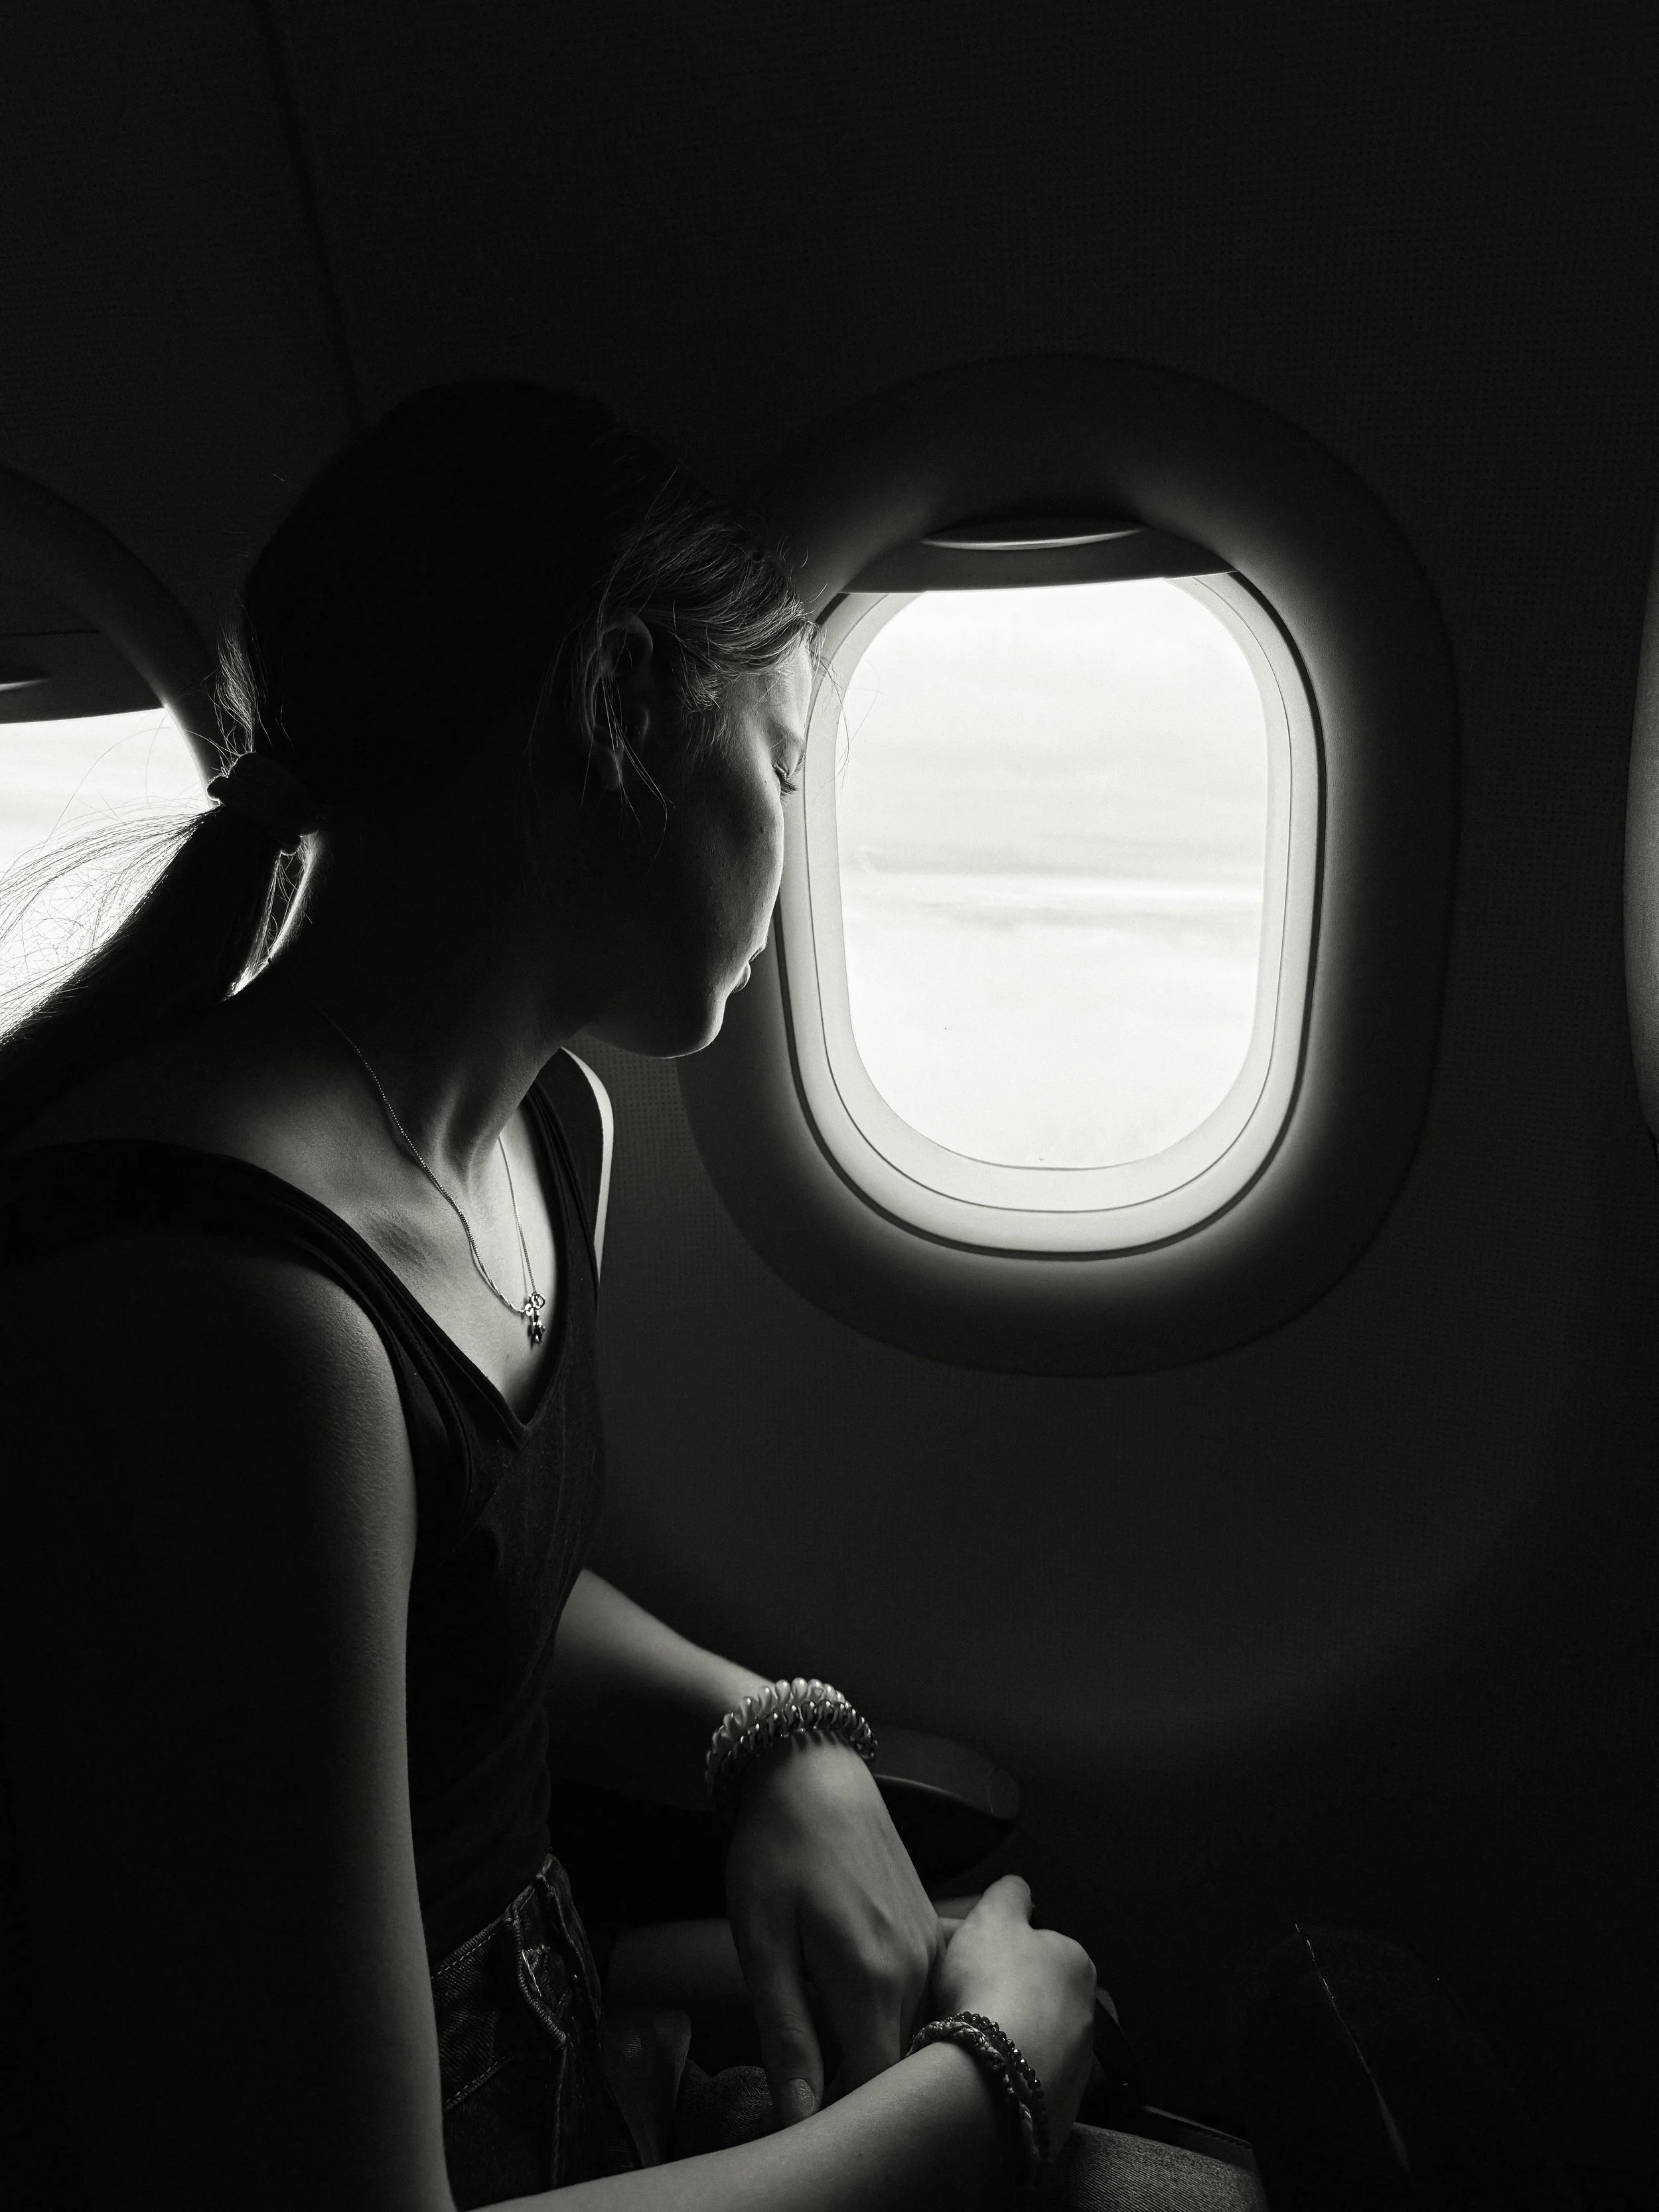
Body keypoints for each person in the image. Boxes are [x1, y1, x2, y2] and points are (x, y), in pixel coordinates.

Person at [0, 382, 1103, 2211]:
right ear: (613, 710)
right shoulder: (219, 1312)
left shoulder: (545, 1130)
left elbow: (455, 1592)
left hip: (527, 2021)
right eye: (786, 760)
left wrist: (771, 1735)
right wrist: (989, 2088)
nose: (791, 832)